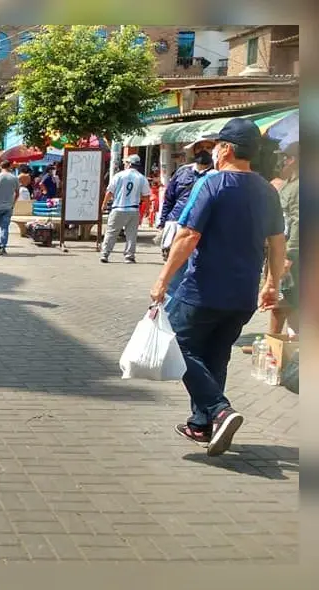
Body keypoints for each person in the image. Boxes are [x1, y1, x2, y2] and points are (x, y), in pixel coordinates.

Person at [149, 118, 286, 456]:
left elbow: (188, 235)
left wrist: (162, 279)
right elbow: (278, 242)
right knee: (215, 356)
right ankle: (201, 425)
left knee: (177, 345)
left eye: (215, 145)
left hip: (203, 289)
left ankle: (219, 409)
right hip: (242, 294)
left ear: (225, 148)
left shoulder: (212, 184)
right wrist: (272, 284)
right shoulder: (268, 190)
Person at [158, 137, 215, 266]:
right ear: (194, 151)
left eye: (208, 148)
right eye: (200, 148)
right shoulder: (182, 172)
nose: (204, 151)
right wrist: (162, 223)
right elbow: (169, 199)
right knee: (174, 269)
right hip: (176, 223)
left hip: (203, 229)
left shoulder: (217, 175)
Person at [267, 141, 299, 336]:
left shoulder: (299, 186)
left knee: (282, 303)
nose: (282, 161)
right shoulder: (289, 184)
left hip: (292, 256)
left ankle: (275, 349)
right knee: (283, 304)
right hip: (283, 251)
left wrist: (288, 256)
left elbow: (299, 222)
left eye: (285, 157)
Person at [100, 154, 151, 263]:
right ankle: (129, 256)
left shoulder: (119, 176)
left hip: (118, 208)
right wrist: (147, 209)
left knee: (111, 232)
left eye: (126, 163)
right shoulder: (142, 178)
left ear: (129, 164)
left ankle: (105, 254)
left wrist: (104, 204)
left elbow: (110, 191)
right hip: (133, 210)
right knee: (131, 234)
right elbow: (146, 196)